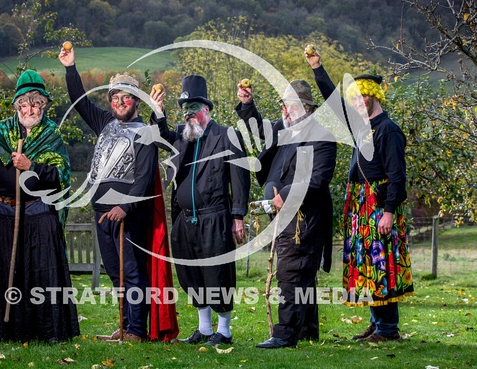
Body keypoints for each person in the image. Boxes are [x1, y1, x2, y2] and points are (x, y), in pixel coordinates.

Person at [59, 46, 178, 342]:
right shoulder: (104, 123)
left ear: (135, 101)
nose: (120, 102)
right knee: (116, 274)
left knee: (133, 272)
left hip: (129, 214)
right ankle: (124, 325)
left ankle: (137, 329)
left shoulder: (146, 132)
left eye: (126, 97)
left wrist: (125, 206)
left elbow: (145, 176)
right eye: (115, 98)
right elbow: (79, 102)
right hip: (102, 213)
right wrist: (71, 68)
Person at [306, 48, 413, 342]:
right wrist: (317, 68)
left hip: (379, 206)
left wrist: (389, 211)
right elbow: (333, 101)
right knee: (368, 266)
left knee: (381, 267)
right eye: (353, 98)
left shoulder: (388, 130)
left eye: (360, 97)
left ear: (373, 96)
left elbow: (397, 177)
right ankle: (377, 324)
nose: (356, 102)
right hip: (361, 206)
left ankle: (388, 330)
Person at [0, 71, 79, 342]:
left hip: (39, 212)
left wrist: (31, 166)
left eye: (36, 103)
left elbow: (60, 177)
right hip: (3, 212)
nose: (31, 109)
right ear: (17, 106)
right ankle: (10, 332)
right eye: (25, 104)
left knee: (43, 273)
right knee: (8, 272)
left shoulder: (51, 134)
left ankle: (48, 332)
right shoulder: (2, 132)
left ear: (43, 105)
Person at [235, 79, 337, 349]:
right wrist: (247, 105)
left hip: (305, 216)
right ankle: (307, 330)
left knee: (292, 272)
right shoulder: (284, 128)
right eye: (283, 105)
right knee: (302, 274)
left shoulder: (321, 135)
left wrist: (286, 193)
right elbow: (259, 129)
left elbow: (318, 179)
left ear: (308, 108)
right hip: (282, 216)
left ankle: (285, 334)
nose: (285, 110)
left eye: (291, 105)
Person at [150, 75, 250, 346]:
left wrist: (238, 216)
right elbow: (160, 138)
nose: (188, 114)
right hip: (185, 221)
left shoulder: (227, 135)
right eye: (184, 110)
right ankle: (205, 329)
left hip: (215, 217)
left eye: (193, 108)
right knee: (191, 274)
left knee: (217, 274)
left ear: (206, 109)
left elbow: (240, 177)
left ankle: (224, 331)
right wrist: (158, 112)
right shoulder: (183, 139)